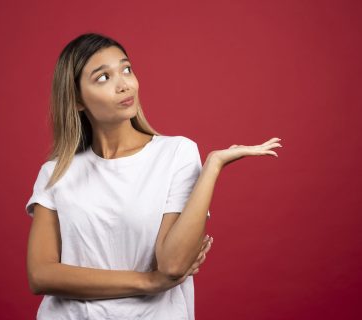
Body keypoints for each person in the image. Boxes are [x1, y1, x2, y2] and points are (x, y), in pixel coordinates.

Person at [25, 32, 282, 320]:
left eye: (126, 69)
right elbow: (41, 275)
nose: (124, 85)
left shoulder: (177, 154)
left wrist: (212, 167)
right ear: (77, 100)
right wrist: (148, 282)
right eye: (103, 78)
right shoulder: (56, 173)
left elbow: (172, 265)